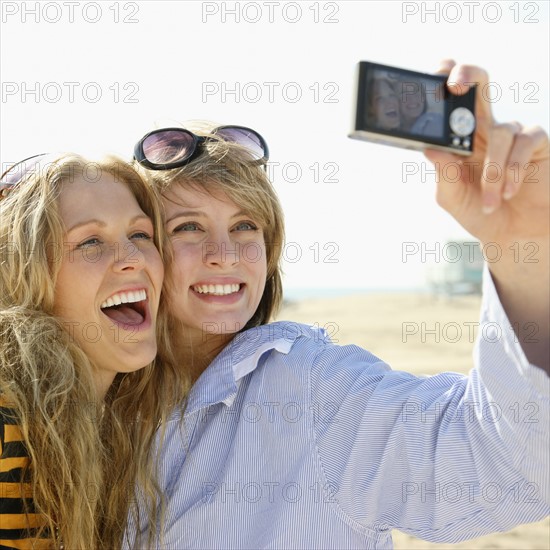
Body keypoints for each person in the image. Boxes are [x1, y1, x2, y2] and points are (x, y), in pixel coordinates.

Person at [128, 61, 549, 548]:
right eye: (188, 228)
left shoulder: (315, 389)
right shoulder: (87, 397)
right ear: (142, 250)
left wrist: (523, 247)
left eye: (246, 226)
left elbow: (510, 467)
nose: (225, 255)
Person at [0, 153, 182, 549]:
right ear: (25, 275)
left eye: (140, 235)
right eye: (90, 241)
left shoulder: (115, 424)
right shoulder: (8, 422)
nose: (132, 259)